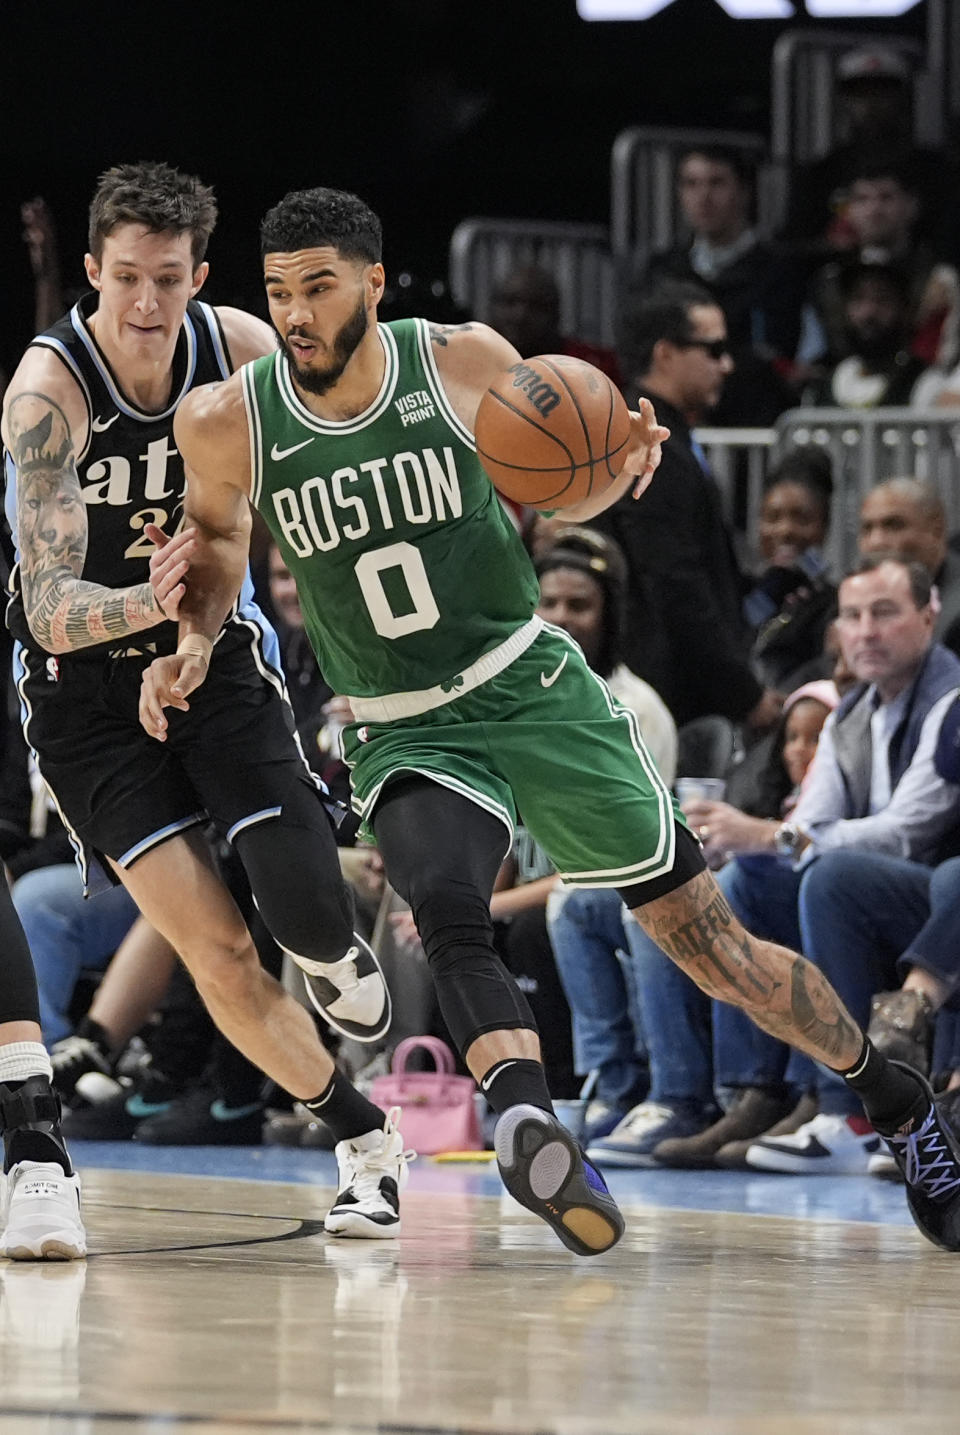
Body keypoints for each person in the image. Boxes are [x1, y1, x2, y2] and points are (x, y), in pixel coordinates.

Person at [137, 185, 960, 1257]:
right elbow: (216, 556)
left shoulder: (461, 360)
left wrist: (613, 464)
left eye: (320, 288)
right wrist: (192, 638)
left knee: (718, 951)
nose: (295, 312)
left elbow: (563, 486)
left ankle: (895, 1099)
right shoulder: (226, 419)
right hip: (399, 719)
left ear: (374, 287)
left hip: (527, 685)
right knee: (444, 902)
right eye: (279, 291)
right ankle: (529, 1116)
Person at [0, 162, 410, 1240]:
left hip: (213, 644)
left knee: (303, 911)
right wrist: (151, 599)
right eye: (125, 277)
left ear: (201, 277)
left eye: (168, 279)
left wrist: (194, 623)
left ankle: (330, 951)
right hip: (83, 692)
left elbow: (312, 484)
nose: (145, 304)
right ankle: (366, 1137)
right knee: (217, 950)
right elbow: (45, 606)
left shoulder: (241, 352)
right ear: (90, 271)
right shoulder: (49, 394)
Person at [588, 680, 837, 1169]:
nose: (799, 751)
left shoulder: (840, 784)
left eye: (816, 739)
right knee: (603, 904)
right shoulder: (777, 797)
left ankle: (793, 1091)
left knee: (763, 887)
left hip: (831, 893)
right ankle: (640, 1091)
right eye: (791, 737)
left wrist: (757, 844)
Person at [596, 281, 782, 732]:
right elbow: (675, 585)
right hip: (664, 701)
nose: (727, 364)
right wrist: (746, 696)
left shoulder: (659, 435)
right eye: (714, 349)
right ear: (666, 353)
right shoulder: (646, 443)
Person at [636, 145, 802, 425]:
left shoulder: (779, 270)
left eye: (717, 183)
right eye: (692, 184)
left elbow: (774, 354)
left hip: (750, 422)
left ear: (744, 192)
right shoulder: (663, 270)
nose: (704, 196)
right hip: (671, 422)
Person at [746, 449, 837, 694]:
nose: (785, 530)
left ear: (824, 527)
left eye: (802, 518)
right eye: (773, 517)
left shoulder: (835, 605)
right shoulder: (738, 592)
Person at [801, 261, 934, 410]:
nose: (868, 313)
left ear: (905, 309)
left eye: (882, 299)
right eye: (858, 298)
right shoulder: (821, 388)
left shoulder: (925, 382)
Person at [858, 478, 960, 659]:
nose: (876, 542)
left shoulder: (955, 613)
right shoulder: (854, 599)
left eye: (894, 525)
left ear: (936, 530)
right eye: (867, 529)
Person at [486, 263, 620, 383]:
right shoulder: (476, 362)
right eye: (510, 302)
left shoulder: (590, 369)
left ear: (555, 313)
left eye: (535, 305)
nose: (520, 315)